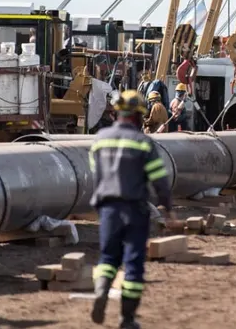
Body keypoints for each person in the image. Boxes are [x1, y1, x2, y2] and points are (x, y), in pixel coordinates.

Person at [88, 90, 173, 329]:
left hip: (108, 208)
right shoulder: (143, 142)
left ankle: (101, 290)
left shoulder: (100, 139)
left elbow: (96, 175)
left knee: (107, 257)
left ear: (116, 112)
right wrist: (167, 206)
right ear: (138, 116)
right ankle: (127, 318)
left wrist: (99, 204)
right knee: (133, 261)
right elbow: (159, 179)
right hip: (135, 209)